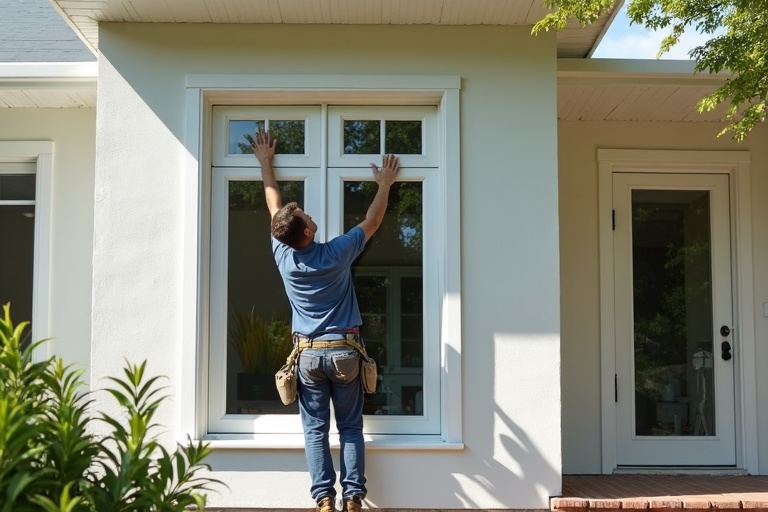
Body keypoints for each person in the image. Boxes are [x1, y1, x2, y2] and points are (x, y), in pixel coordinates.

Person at [251, 128, 400, 512]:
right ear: (306, 230)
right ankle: (353, 497)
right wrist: (384, 184)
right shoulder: (337, 252)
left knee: (315, 431)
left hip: (307, 357)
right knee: (349, 427)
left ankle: (323, 501)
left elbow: (273, 204)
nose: (308, 211)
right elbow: (373, 220)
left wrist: (265, 163)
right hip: (344, 353)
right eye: (305, 214)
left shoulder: (284, 255)